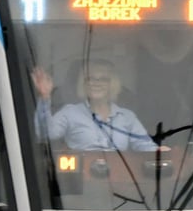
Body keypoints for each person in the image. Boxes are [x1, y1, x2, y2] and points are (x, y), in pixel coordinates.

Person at [32, 59, 162, 151]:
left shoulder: (127, 117)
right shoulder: (70, 112)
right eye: (90, 78)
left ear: (112, 84)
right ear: (83, 83)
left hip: (120, 179)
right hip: (80, 180)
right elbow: (45, 134)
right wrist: (45, 97)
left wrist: (160, 152)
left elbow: (144, 145)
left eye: (103, 79)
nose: (96, 83)